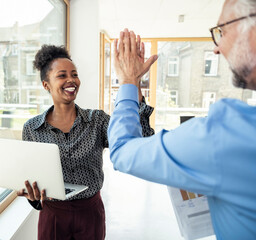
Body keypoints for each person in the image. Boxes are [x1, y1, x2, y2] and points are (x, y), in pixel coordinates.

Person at [107, 0, 256, 239]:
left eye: (222, 31)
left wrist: (127, 80)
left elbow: (123, 150)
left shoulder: (228, 133)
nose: (216, 48)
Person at [17, 45, 154, 240]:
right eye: (62, 75)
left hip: (90, 213)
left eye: (74, 74)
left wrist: (135, 83)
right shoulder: (32, 129)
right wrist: (33, 198)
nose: (71, 80)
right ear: (46, 85)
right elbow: (33, 181)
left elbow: (140, 140)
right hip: (53, 214)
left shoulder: (97, 121)